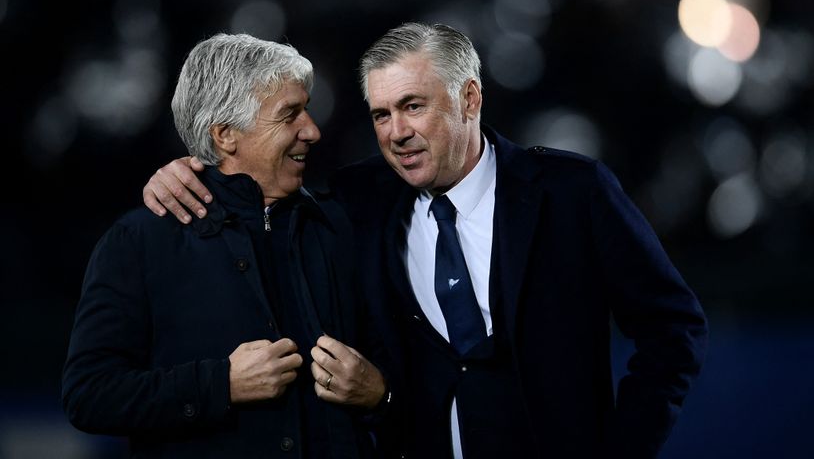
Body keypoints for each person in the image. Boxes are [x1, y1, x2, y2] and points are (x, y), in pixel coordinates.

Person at [142, 23, 708, 458]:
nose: (396, 133)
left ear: (470, 98)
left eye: (413, 106)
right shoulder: (361, 199)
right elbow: (261, 182)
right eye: (380, 115)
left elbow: (673, 329)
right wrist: (187, 171)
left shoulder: (572, 192)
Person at [62, 33, 389, 459]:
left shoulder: (341, 226)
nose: (312, 130)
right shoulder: (140, 242)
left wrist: (380, 394)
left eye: (306, 109)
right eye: (289, 114)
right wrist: (221, 384)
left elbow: (406, 369)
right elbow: (89, 396)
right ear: (225, 135)